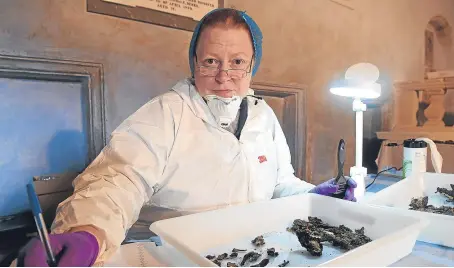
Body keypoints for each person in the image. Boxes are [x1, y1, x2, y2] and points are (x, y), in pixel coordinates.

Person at [17, 8, 357, 267]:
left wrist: (314, 195)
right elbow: (117, 182)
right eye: (211, 61)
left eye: (237, 62)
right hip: (175, 258)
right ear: (193, 63)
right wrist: (88, 233)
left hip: (250, 253)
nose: (224, 76)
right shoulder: (164, 115)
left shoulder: (262, 116)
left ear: (253, 66)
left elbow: (279, 184)